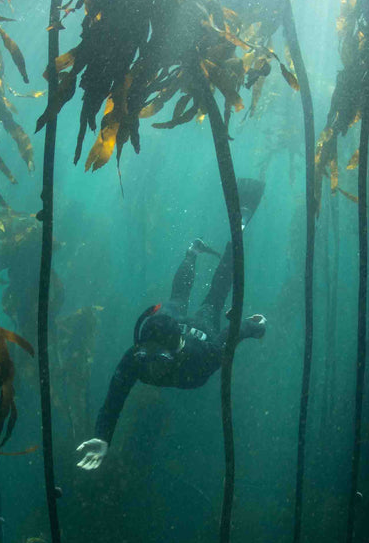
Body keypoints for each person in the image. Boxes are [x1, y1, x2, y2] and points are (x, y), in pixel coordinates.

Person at [76, 179, 268, 471]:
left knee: (214, 297)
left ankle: (236, 231)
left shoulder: (200, 358)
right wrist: (103, 437)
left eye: (159, 358)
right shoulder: (136, 359)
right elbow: (115, 397)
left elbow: (230, 334)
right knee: (176, 300)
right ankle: (192, 251)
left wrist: (253, 327)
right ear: (140, 348)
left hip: (198, 331)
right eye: (146, 355)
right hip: (173, 323)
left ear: (176, 352)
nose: (151, 366)